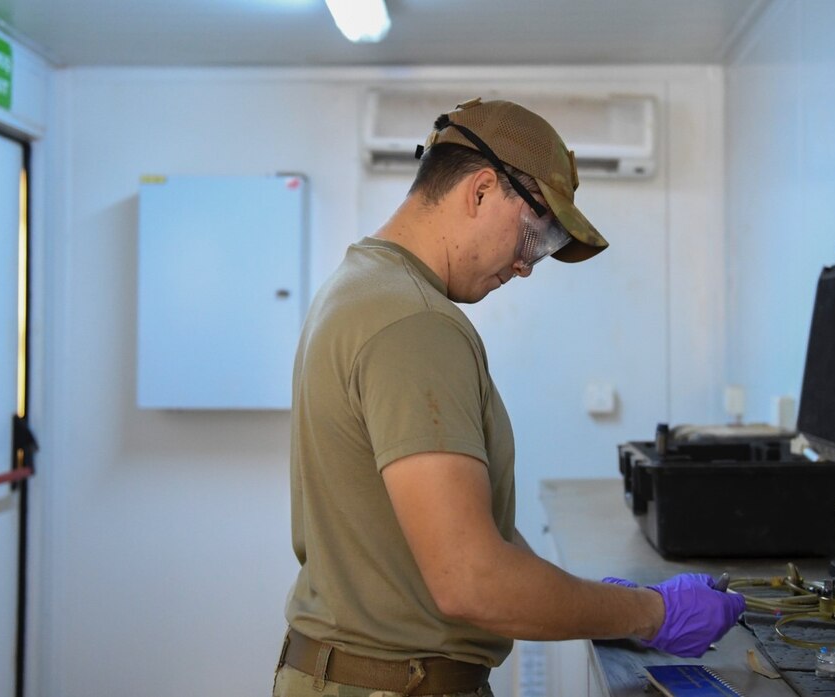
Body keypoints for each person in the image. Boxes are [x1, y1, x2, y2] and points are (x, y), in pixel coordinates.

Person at [274, 97, 745, 697]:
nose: (527, 267)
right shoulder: (414, 322)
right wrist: (651, 615)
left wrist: (602, 602)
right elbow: (470, 579)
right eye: (534, 235)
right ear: (480, 190)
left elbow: (475, 538)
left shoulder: (361, 287)